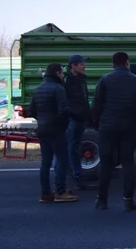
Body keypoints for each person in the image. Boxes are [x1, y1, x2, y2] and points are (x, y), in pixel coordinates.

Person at [92, 52, 136, 211]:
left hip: (107, 127)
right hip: (128, 127)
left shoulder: (105, 80)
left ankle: (102, 200)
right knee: (128, 162)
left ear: (113, 64)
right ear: (127, 63)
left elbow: (96, 105)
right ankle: (128, 200)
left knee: (106, 163)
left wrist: (99, 123)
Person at [29, 62, 77, 203]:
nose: (63, 75)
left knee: (45, 162)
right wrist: (62, 125)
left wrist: (42, 120)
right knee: (63, 159)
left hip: (42, 129)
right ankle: (60, 192)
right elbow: (64, 111)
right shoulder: (58, 88)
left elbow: (32, 111)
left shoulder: (38, 89)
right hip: (56, 130)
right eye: (62, 72)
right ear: (57, 73)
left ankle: (45, 193)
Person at [55, 54, 93, 190]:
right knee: (66, 148)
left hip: (81, 118)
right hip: (71, 119)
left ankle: (76, 177)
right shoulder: (66, 81)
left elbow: (84, 98)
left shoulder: (82, 79)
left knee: (75, 148)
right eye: (82, 64)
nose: (84, 66)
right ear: (73, 66)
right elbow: (64, 101)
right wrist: (72, 114)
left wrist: (88, 114)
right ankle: (62, 179)